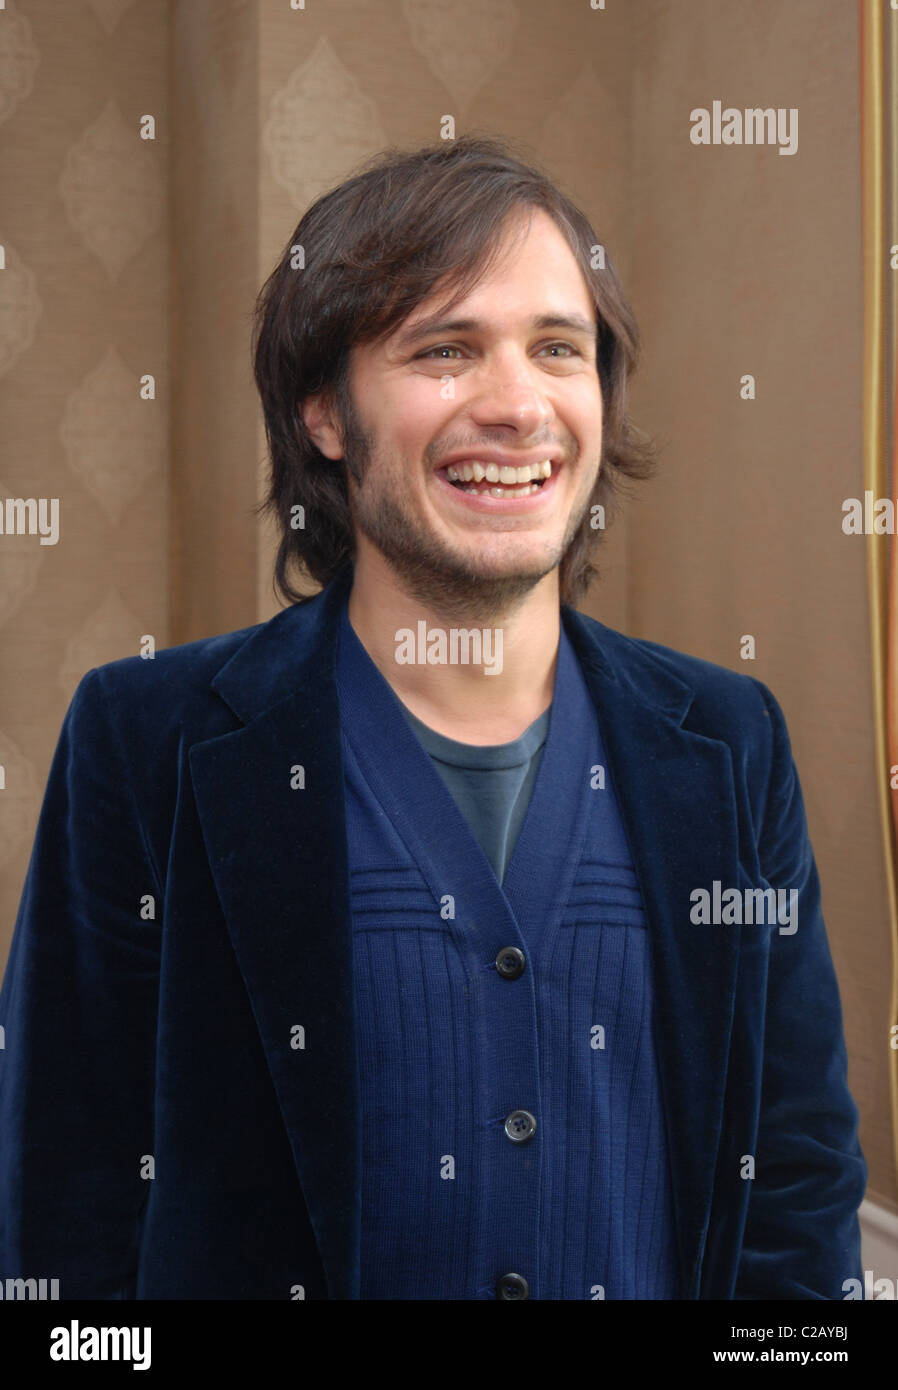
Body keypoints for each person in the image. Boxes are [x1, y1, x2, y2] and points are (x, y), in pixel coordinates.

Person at [0, 135, 866, 1300]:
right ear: (323, 412)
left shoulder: (726, 744)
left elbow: (795, 1184)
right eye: (445, 351)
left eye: (558, 349)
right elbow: (67, 1193)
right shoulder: (147, 742)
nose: (517, 405)